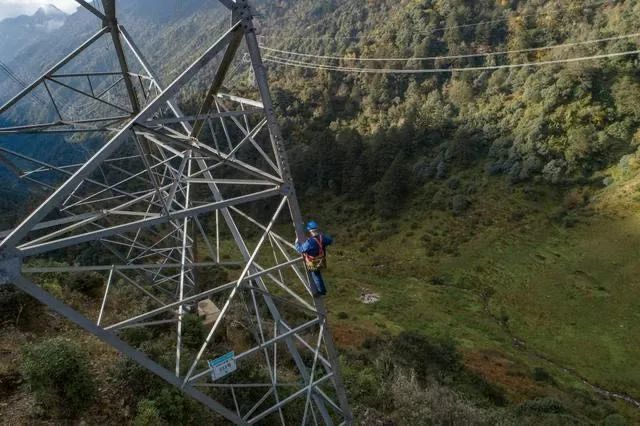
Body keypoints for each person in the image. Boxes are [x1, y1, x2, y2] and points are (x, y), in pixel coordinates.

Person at [295, 220, 333, 296]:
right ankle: (322, 290)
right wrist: (322, 236)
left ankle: (321, 291)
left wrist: (296, 243)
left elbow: (301, 249)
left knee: (316, 276)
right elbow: (330, 240)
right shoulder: (322, 238)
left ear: (310, 231)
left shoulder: (310, 242)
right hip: (321, 260)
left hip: (313, 262)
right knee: (318, 275)